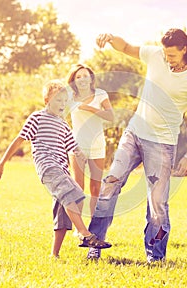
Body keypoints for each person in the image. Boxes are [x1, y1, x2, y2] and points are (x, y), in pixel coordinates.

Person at [87, 28, 187, 262]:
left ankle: (155, 256)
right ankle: (95, 242)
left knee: (157, 203)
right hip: (134, 133)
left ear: (185, 50)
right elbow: (126, 47)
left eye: (172, 55)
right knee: (111, 183)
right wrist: (111, 37)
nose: (167, 58)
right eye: (165, 53)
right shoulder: (155, 55)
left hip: (163, 143)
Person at [0, 79, 111, 258]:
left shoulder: (63, 124)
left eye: (64, 100)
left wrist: (82, 154)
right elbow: (19, 139)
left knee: (67, 206)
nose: (62, 104)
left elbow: (74, 148)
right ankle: (85, 235)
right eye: (57, 100)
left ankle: (54, 254)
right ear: (47, 101)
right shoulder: (37, 118)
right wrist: (1, 164)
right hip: (47, 167)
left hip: (62, 170)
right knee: (72, 195)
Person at [67, 64, 114, 217]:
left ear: (91, 78)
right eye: (78, 77)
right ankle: (79, 227)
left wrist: (90, 109)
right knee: (78, 186)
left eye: (85, 76)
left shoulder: (100, 94)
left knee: (95, 187)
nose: (82, 79)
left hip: (97, 145)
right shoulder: (70, 96)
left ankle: (94, 224)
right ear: (74, 80)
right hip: (77, 147)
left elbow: (111, 116)